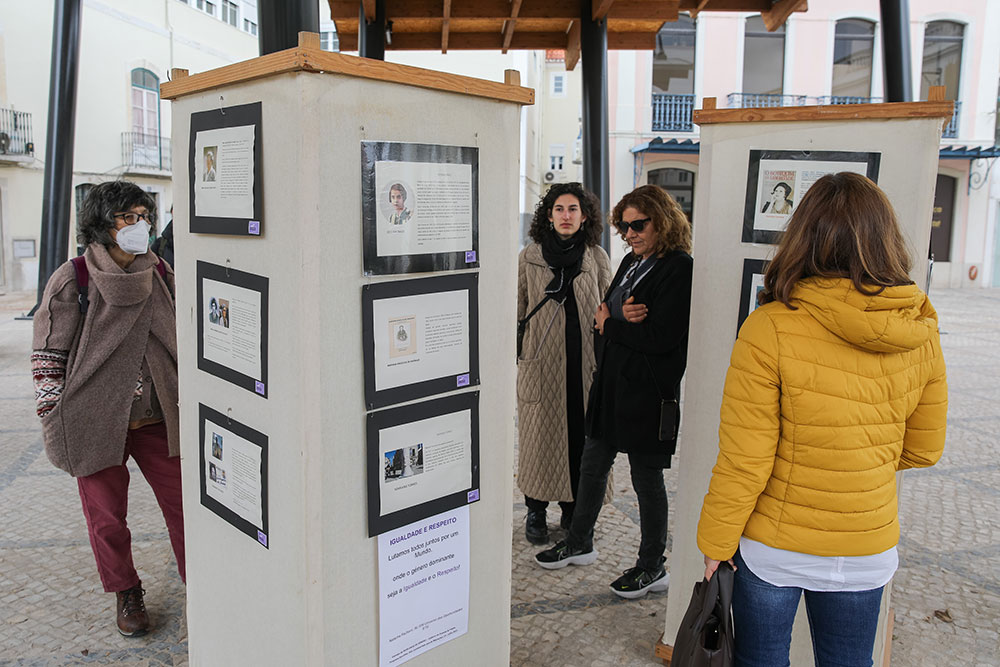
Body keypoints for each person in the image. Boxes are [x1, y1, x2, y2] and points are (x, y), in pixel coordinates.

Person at [697, 173, 948, 666]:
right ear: (885, 238)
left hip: (775, 548)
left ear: (802, 236)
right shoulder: (920, 328)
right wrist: (857, 463)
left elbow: (745, 460)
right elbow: (924, 449)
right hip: (867, 546)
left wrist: (715, 545)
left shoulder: (769, 326)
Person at [31, 180, 184, 638]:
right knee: (106, 517)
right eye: (128, 217)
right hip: (94, 417)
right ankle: (126, 591)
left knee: (185, 507)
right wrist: (53, 417)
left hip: (159, 416)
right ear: (102, 223)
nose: (140, 225)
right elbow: (48, 357)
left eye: (144, 215)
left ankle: (203, 581)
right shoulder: (73, 278)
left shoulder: (159, 272)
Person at [535, 184, 693, 600]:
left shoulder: (679, 268)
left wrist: (615, 323)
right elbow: (600, 317)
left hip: (649, 392)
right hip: (611, 383)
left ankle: (651, 566)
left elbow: (663, 337)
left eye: (638, 225)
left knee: (646, 479)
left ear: (663, 220)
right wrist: (619, 320)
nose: (630, 234)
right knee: (593, 463)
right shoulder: (629, 264)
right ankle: (579, 540)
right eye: (625, 227)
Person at [517, 182, 612, 544]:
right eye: (559, 209)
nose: (566, 216)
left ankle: (575, 512)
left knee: (580, 440)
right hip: (542, 366)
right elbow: (519, 308)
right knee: (539, 440)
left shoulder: (596, 258)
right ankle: (536, 511)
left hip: (584, 367)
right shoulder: (530, 257)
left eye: (573, 209)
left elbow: (607, 308)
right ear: (549, 215)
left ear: (584, 216)